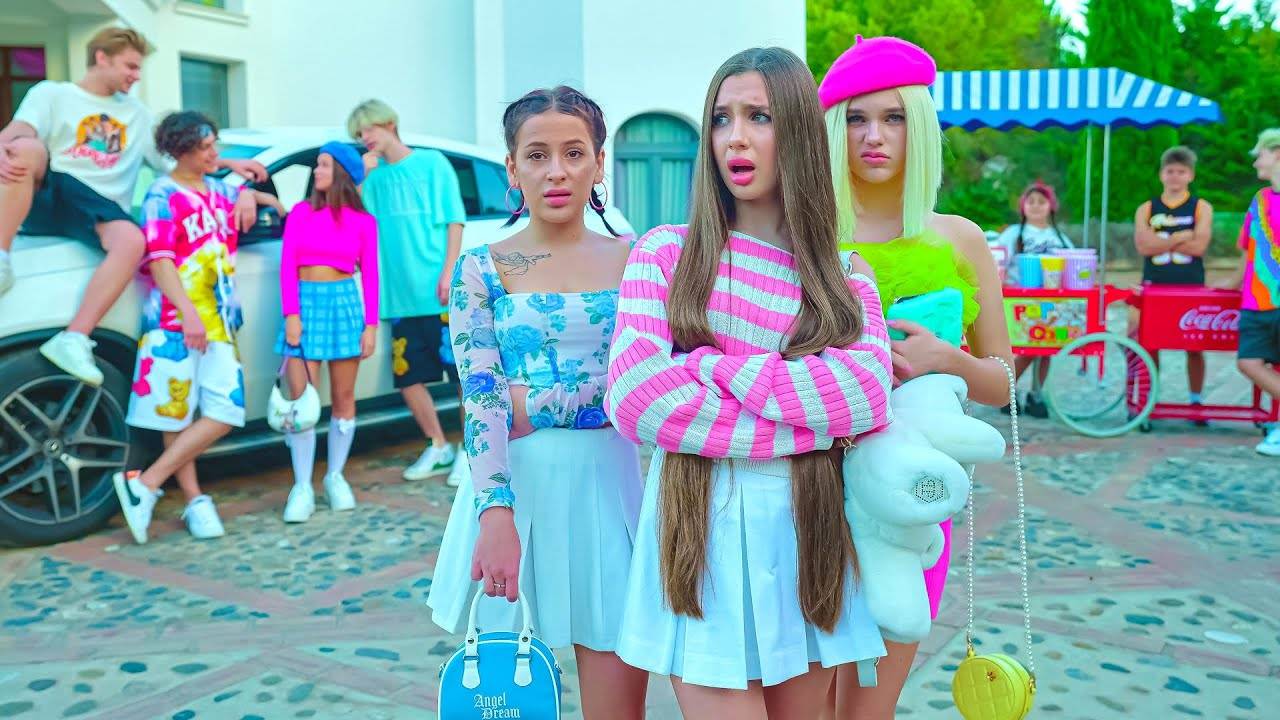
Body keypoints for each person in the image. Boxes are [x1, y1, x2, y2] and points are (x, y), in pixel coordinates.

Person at [606, 47, 894, 718]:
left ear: (797, 131)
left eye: (759, 116)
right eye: (721, 118)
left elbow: (865, 395)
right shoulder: (666, 253)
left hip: (807, 540)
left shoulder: (843, 276)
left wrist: (710, 367)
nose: (734, 137)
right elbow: (639, 399)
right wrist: (809, 424)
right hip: (698, 538)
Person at [426, 86, 647, 718]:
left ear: (599, 163)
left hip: (611, 487)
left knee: (618, 704)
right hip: (511, 492)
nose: (557, 171)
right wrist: (495, 514)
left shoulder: (639, 261)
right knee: (508, 696)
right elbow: (482, 396)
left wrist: (536, 402)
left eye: (574, 153)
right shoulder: (480, 267)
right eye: (537, 155)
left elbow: (647, 384)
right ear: (512, 167)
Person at [817, 35, 1014, 718]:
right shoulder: (801, 234)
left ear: (920, 127)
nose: (874, 136)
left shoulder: (960, 238)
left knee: (871, 704)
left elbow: (1003, 383)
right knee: (806, 701)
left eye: (894, 117)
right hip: (806, 489)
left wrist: (948, 360)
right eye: (856, 118)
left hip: (910, 497)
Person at [0, 27, 264, 385]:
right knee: (24, 148)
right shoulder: (52, 93)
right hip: (55, 194)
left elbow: (178, 164)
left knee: (132, 241)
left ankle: (74, 338)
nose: (136, 76)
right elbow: (18, 130)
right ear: (102, 58)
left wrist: (232, 172)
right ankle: (2, 257)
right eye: (130, 66)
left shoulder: (137, 115)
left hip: (100, 211)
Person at [111, 111, 283, 544]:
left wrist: (253, 196)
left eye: (214, 146)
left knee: (226, 410)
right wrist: (188, 313)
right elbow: (161, 261)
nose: (214, 154)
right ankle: (194, 499)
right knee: (176, 412)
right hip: (173, 323)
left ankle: (145, 484)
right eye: (206, 148)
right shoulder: (161, 195)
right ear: (182, 150)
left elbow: (257, 199)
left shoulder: (221, 191)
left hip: (220, 324)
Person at [346, 100, 469, 486]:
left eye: (368, 129)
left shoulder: (432, 163)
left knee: (461, 375)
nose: (365, 138)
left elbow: (454, 220)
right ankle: (437, 444)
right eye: (359, 134)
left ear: (389, 123)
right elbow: (355, 222)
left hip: (438, 292)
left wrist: (449, 272)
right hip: (398, 298)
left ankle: (469, 451)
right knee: (408, 377)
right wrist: (362, 178)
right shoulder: (374, 179)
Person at [277, 142, 379, 522]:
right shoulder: (300, 213)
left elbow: (371, 274)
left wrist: (371, 325)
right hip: (304, 305)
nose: (316, 171)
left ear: (342, 173)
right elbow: (287, 266)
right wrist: (291, 314)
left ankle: (335, 476)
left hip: (344, 305)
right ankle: (302, 485)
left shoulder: (364, 221)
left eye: (323, 165)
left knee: (344, 397)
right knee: (301, 399)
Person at [1134, 146, 1214, 421]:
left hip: (1190, 286)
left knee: (1194, 346)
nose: (1175, 177)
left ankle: (1196, 400)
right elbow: (1143, 247)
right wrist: (1181, 236)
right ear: (1161, 174)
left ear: (1190, 175)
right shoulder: (1146, 208)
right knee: (1150, 344)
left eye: (1181, 172)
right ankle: (1151, 398)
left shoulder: (1201, 207)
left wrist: (1161, 241)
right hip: (1154, 285)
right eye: (1170, 171)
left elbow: (1199, 246)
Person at [1221, 128, 1280, 456]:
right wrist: (1230, 284)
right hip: (1256, 302)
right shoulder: (1259, 200)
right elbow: (1249, 249)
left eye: (1261, 154)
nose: (1256, 161)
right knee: (1248, 362)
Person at [994, 181, 1074, 417]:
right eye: (1031, 202)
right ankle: (1006, 391)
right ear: (1023, 206)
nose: (1036, 206)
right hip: (1021, 302)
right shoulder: (1013, 234)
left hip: (1052, 302)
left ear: (1051, 206)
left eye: (1042, 201)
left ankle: (1036, 394)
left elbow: (1071, 264)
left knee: (1046, 348)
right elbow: (998, 262)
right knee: (1028, 348)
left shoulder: (1059, 237)